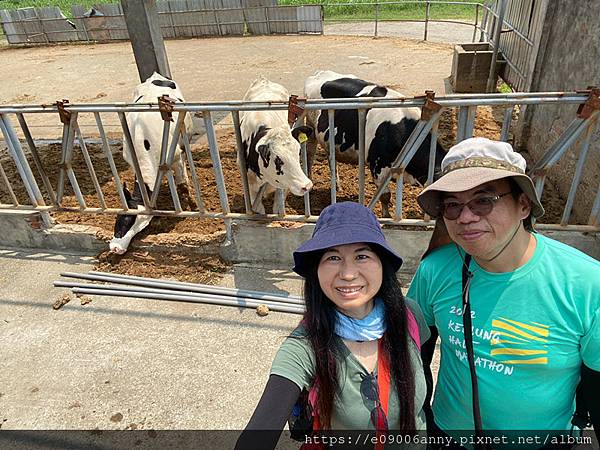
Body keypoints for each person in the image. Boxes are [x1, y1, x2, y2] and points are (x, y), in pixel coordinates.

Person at [407, 137, 600, 447]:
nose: (466, 217)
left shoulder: (588, 285)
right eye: (452, 206)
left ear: (523, 205)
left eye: (483, 200)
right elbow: (414, 356)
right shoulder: (435, 271)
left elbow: (597, 386)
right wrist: (421, 422)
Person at [236, 202, 431, 449]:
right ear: (317, 269)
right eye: (333, 257)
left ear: (382, 264)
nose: (348, 274)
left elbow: (423, 377)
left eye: (362, 256)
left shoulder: (409, 315)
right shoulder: (305, 345)